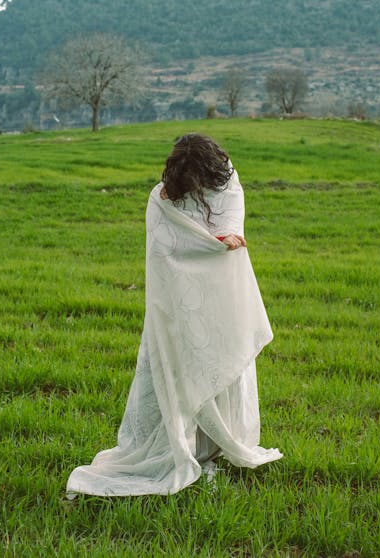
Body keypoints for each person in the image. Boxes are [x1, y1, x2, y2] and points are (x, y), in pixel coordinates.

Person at [66, 133, 282, 497]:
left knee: (220, 367)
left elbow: (232, 221)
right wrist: (212, 244)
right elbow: (166, 250)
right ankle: (184, 447)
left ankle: (213, 447)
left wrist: (226, 239)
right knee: (180, 369)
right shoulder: (162, 197)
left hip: (221, 297)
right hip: (177, 304)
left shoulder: (227, 180)